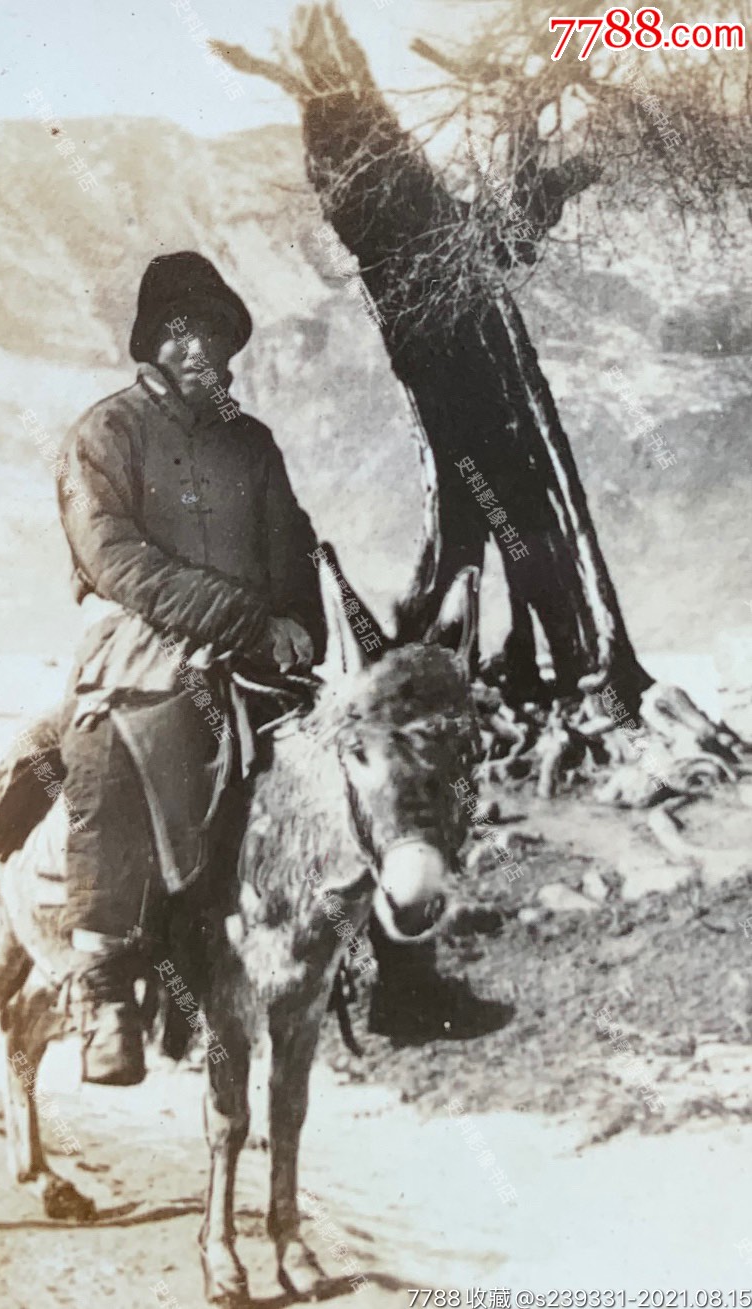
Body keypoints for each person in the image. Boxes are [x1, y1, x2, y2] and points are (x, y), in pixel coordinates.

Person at [58, 250, 487, 1087]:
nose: (197, 351)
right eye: (179, 333)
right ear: (152, 341)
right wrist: (246, 616)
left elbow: (293, 549)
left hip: (254, 663)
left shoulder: (253, 446)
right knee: (106, 762)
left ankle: (404, 971)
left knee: (370, 759)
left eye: (212, 334)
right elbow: (116, 561)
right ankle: (107, 984)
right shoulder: (102, 437)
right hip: (141, 657)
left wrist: (304, 620)